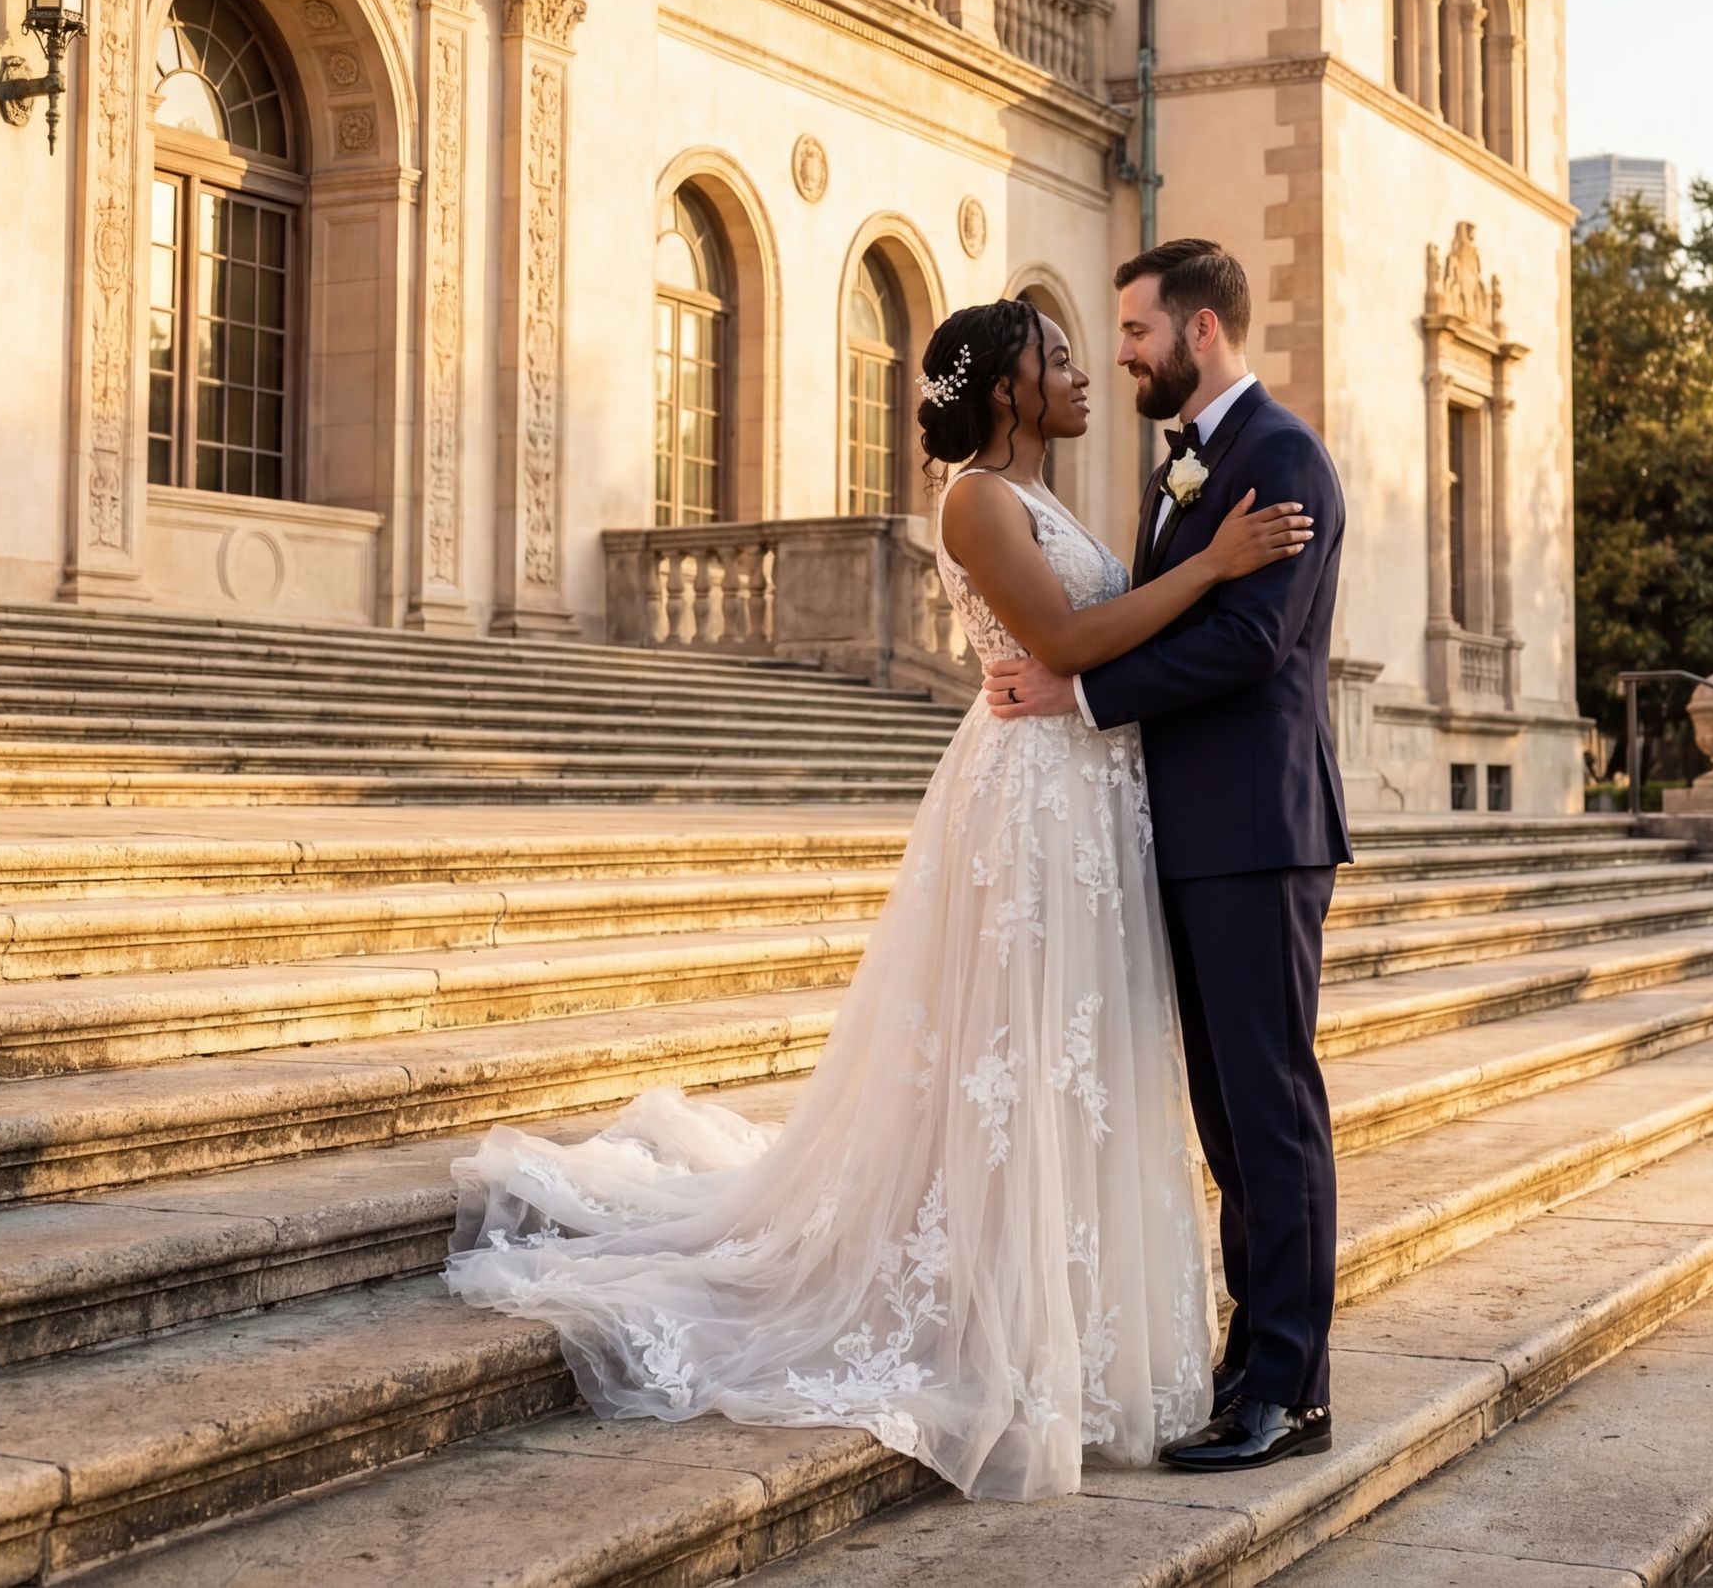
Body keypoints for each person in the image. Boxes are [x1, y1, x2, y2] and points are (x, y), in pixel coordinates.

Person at [444, 295, 1314, 1501]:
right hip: (1030, 798)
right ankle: (1001, 1314)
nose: (1083, 375)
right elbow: (1066, 640)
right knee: (1021, 1050)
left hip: (1091, 798)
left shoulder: (1049, 495)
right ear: (1006, 388)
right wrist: (1215, 564)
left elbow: (1098, 642)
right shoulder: (976, 499)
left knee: (1079, 1056)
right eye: (1059, 359)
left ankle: (1082, 1317)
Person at [982, 238, 1351, 1473]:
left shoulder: (1280, 455)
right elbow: (1160, 615)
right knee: (1230, 1123)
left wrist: (1081, 697)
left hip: (1257, 831)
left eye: (1137, 331)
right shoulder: (1178, 468)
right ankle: (1252, 1364)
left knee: (1272, 1111)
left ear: (1200, 329)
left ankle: (1291, 1391)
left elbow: (1251, 641)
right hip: (1187, 833)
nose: (1123, 353)